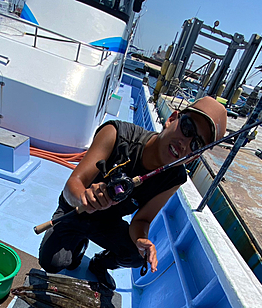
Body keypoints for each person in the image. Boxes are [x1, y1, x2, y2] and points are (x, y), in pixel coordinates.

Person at [39, 96, 227, 290]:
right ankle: (78, 242)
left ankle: (100, 263)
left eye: (196, 145)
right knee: (52, 263)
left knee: (137, 256)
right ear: (172, 119)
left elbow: (142, 220)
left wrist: (141, 240)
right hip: (75, 210)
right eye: (187, 128)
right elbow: (73, 185)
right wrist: (85, 197)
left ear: (194, 157)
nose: (185, 143)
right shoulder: (116, 133)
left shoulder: (175, 178)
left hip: (106, 223)